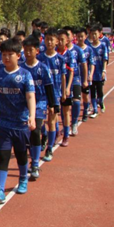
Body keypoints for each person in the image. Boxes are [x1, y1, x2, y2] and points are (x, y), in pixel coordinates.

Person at [0, 38, 36, 205]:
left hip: (21, 124)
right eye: (4, 55)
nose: (7, 58)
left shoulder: (25, 75)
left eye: (10, 54)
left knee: (21, 154)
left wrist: (32, 116)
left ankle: (23, 178)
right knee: (3, 155)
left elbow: (30, 96)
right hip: (4, 124)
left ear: (18, 55)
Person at [21, 35, 56, 179]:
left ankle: (35, 163)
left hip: (40, 103)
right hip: (23, 105)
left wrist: (52, 105)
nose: (28, 53)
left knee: (35, 131)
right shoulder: (21, 68)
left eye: (31, 50)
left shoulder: (43, 68)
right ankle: (29, 158)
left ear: (37, 51)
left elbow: (49, 87)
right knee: (25, 135)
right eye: (25, 50)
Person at [38, 29, 66, 162]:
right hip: (41, 95)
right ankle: (44, 135)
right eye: (47, 39)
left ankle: (49, 148)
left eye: (51, 39)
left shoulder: (60, 59)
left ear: (56, 42)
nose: (49, 42)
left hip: (54, 94)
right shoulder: (40, 58)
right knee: (40, 121)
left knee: (52, 121)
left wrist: (64, 92)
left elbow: (63, 76)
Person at [64, 26, 87, 137]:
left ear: (73, 36)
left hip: (76, 79)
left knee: (76, 101)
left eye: (68, 35)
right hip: (63, 80)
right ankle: (66, 126)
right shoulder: (60, 51)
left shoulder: (78, 50)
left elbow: (84, 65)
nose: (67, 37)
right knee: (65, 105)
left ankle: (74, 123)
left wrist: (85, 80)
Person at [56, 29, 75, 147]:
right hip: (55, 87)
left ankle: (66, 135)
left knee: (66, 111)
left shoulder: (70, 54)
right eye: (58, 39)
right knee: (54, 112)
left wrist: (67, 88)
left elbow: (71, 72)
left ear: (67, 40)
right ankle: (56, 132)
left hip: (66, 85)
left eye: (62, 39)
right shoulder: (54, 53)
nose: (60, 42)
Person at [89, 25, 109, 117]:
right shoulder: (89, 47)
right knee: (92, 91)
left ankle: (101, 102)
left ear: (99, 34)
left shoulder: (103, 46)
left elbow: (105, 59)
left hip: (100, 72)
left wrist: (104, 70)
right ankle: (95, 110)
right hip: (91, 73)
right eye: (92, 34)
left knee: (100, 91)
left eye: (95, 34)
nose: (94, 36)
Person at [76, 27, 94, 122]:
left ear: (85, 37)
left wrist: (89, 76)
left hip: (85, 77)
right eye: (78, 36)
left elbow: (91, 63)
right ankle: (76, 116)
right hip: (76, 77)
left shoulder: (89, 49)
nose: (80, 38)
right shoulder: (74, 49)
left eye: (82, 36)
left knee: (85, 96)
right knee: (76, 98)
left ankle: (85, 111)